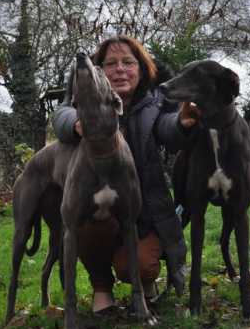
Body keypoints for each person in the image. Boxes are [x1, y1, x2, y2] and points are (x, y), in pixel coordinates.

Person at [53, 34, 198, 313]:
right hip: (99, 206)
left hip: (144, 213)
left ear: (142, 69)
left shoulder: (157, 101)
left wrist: (181, 123)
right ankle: (101, 290)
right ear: (99, 72)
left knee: (139, 266)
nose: (120, 69)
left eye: (128, 62)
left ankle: (144, 281)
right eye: (110, 64)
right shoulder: (84, 99)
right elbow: (61, 115)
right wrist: (77, 123)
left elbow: (168, 128)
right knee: (85, 227)